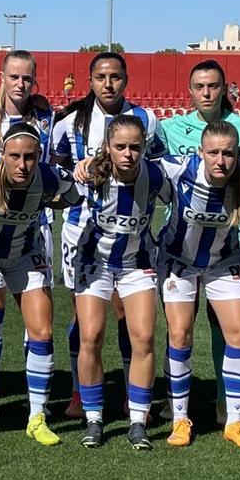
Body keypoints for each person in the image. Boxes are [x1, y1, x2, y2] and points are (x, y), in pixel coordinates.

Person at [156, 59, 240, 424]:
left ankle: (226, 402)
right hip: (180, 244)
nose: (206, 93)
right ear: (190, 91)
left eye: (213, 86)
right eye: (199, 87)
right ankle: (173, 401)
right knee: (179, 325)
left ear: (225, 88)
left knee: (226, 324)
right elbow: (140, 154)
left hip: (227, 244)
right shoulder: (171, 128)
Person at [50, 52, 164, 418]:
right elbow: (56, 165)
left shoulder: (145, 119)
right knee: (82, 317)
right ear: (91, 80)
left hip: (130, 231)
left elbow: (159, 163)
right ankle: (79, 392)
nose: (108, 83)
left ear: (126, 79)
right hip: (81, 229)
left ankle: (134, 393)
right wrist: (76, 170)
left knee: (126, 313)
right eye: (101, 76)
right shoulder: (70, 120)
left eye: (115, 76)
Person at [0, 122, 77, 447]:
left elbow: (73, 194)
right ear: (2, 154)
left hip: (26, 254)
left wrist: (54, 201)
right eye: (14, 156)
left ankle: (36, 417)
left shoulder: (50, 175)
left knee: (42, 332)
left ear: (39, 155)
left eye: (29, 157)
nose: (22, 164)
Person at [71, 115, 167, 449]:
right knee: (91, 337)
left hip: (136, 264)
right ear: (107, 147)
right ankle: (94, 418)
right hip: (94, 263)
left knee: (143, 338)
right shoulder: (91, 173)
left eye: (135, 147)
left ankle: (138, 420)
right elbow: (60, 186)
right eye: (120, 147)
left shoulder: (156, 174)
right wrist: (76, 170)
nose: (128, 153)